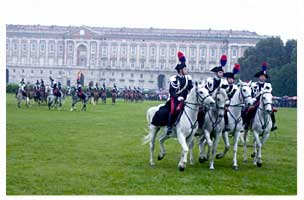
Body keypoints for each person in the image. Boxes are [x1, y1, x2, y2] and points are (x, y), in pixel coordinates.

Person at [244, 62, 277, 131]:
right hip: (255, 101)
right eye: (261, 76)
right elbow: (250, 92)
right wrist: (255, 98)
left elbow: (268, 92)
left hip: (265, 101)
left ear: (265, 78)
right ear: (259, 77)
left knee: (271, 110)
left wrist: (262, 92)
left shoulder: (268, 85)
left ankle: (273, 124)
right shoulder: (253, 84)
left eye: (264, 77)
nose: (262, 77)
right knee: (249, 110)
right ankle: (246, 124)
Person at [166, 51, 193, 135]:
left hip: (186, 98)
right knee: (174, 110)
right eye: (185, 69)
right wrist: (178, 97)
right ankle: (170, 127)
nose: (187, 70)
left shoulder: (188, 78)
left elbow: (190, 88)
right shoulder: (174, 79)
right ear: (180, 70)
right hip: (176, 98)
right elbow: (171, 91)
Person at [223, 64, 240, 131]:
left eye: (232, 79)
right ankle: (226, 125)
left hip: (232, 103)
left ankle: (241, 125)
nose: (231, 80)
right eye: (230, 79)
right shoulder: (224, 85)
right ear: (227, 79)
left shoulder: (235, 87)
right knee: (223, 112)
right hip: (224, 103)